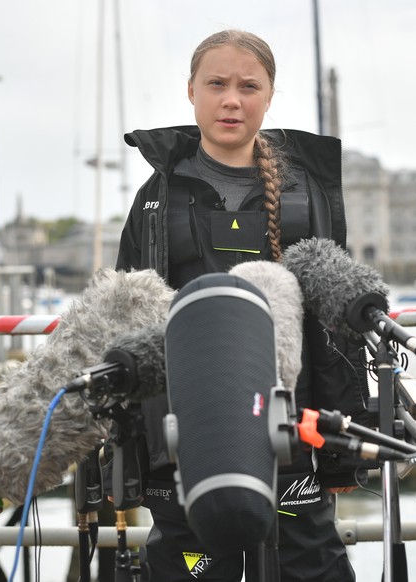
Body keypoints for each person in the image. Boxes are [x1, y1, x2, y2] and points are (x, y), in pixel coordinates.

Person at [115, 29, 369, 581]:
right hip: (188, 424)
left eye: (248, 86)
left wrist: (345, 442)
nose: (232, 99)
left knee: (307, 560)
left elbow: (336, 327)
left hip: (290, 426)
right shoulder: (154, 200)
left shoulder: (308, 194)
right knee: (193, 565)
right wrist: (135, 444)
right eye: (217, 84)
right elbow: (130, 319)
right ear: (191, 92)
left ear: (269, 97)